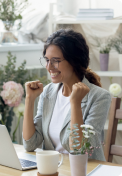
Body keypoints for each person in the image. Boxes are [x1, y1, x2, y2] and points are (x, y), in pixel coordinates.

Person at [22, 28, 111, 161]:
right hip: (53, 169)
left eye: (56, 60)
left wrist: (75, 103)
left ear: (74, 61)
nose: (49, 66)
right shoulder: (48, 92)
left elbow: (79, 149)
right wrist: (29, 100)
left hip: (85, 170)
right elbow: (30, 144)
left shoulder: (99, 97)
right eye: (47, 60)